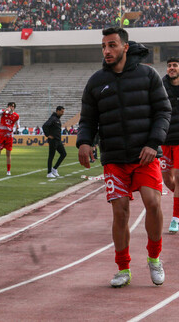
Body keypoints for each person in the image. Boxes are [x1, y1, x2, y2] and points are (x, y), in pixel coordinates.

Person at [77, 27, 170, 288]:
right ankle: (123, 267)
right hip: (114, 158)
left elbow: (164, 111)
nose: (107, 51)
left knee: (153, 203)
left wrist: (153, 143)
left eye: (112, 45)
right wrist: (84, 142)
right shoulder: (96, 81)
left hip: (145, 155)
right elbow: (88, 119)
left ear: (125, 47)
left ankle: (154, 258)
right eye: (104, 46)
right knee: (120, 211)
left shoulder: (148, 75)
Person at [161, 56, 179, 233]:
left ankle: (175, 218)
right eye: (169, 66)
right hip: (165, 140)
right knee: (167, 179)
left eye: (175, 65)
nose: (171, 68)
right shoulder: (161, 86)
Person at [0, 102, 20, 176]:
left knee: (8, 154)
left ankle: (8, 171)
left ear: (14, 107)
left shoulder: (16, 116)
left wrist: (16, 128)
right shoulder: (3, 112)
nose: (10, 107)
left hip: (9, 136)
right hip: (1, 135)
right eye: (9, 106)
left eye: (12, 106)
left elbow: (18, 125)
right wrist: (3, 111)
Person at [43, 106, 67, 178]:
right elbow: (44, 126)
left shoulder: (57, 119)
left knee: (63, 154)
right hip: (53, 140)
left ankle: (54, 168)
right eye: (62, 111)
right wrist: (48, 135)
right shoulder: (53, 118)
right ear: (58, 111)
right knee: (51, 156)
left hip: (58, 140)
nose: (63, 113)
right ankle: (49, 173)